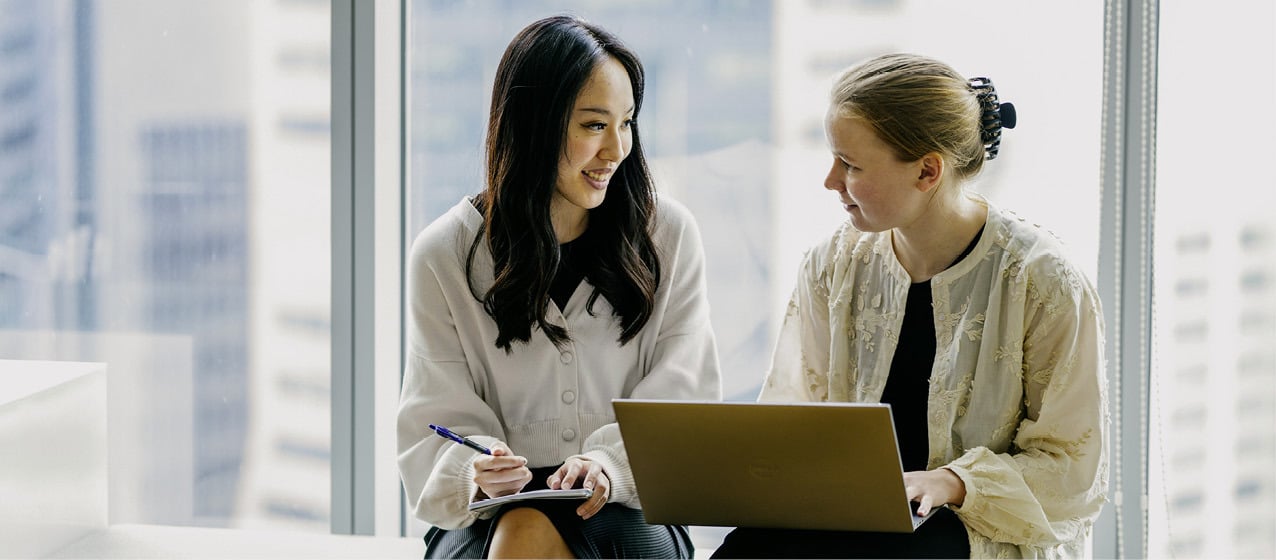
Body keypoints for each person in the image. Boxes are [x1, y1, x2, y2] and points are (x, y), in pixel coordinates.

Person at [711, 53, 1108, 559]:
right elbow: (792, 414)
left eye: (851, 164)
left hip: (976, 531)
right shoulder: (834, 263)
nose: (831, 181)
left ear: (927, 171)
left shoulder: (1042, 280)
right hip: (848, 518)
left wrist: (952, 482)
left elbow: (1073, 468)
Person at [396, 15, 721, 560]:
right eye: (594, 126)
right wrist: (479, 468)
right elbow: (436, 414)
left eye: (628, 123)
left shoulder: (668, 235)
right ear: (534, 126)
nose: (616, 149)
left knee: (525, 537)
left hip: (627, 504)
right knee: (521, 528)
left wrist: (609, 465)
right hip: (484, 517)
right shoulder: (444, 254)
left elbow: (683, 398)